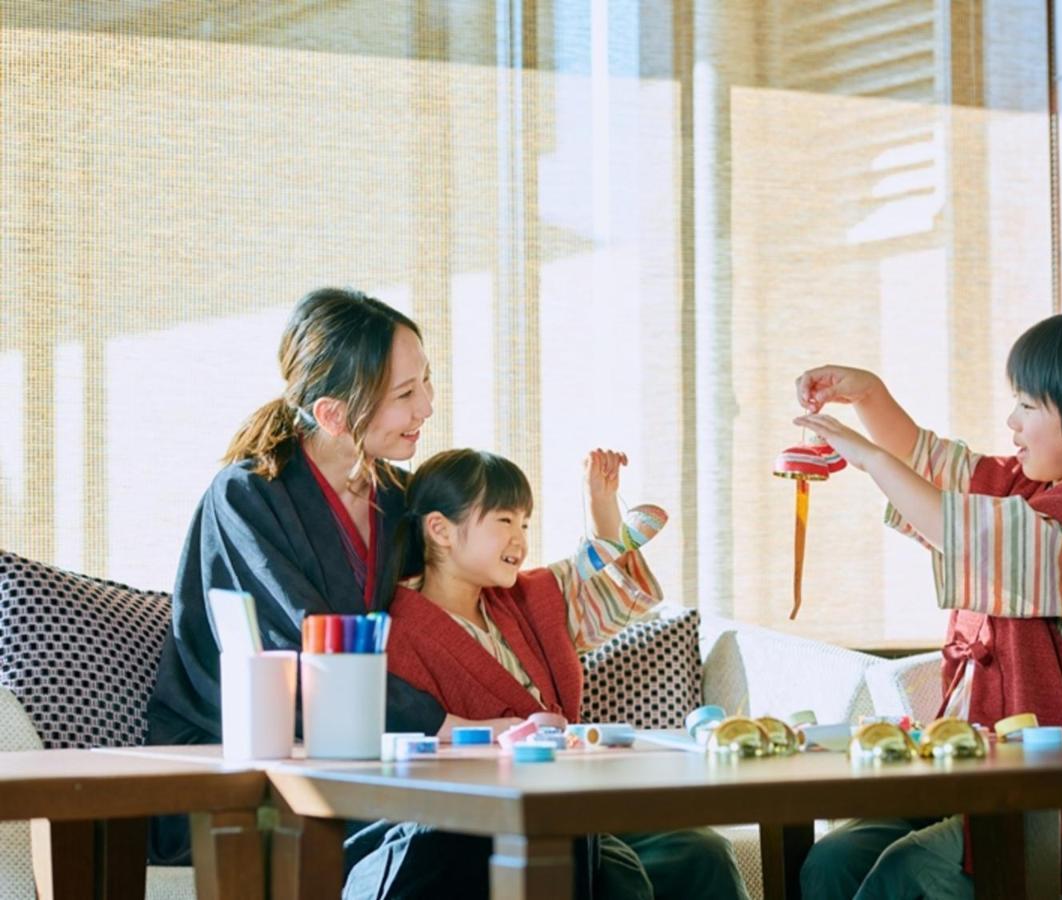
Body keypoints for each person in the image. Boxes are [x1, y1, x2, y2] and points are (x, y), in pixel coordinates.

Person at [792, 308, 1062, 898]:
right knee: (832, 860)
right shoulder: (1030, 483)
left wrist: (866, 457)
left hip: (1049, 796)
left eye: (1028, 405)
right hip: (970, 775)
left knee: (906, 873)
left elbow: (959, 527)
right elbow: (936, 467)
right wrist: (868, 393)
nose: (1011, 421)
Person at [342, 447, 750, 900]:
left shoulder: (527, 598)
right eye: (503, 521)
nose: (519, 539)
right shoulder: (398, 628)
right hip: (477, 825)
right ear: (440, 530)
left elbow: (598, 579)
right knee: (614, 874)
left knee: (702, 851)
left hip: (571, 804)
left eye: (525, 523)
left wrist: (601, 506)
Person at [145, 287, 444, 864]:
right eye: (405, 393)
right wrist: (442, 722)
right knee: (448, 837)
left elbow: (445, 609)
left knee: (584, 843)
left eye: (428, 381)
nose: (426, 407)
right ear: (333, 414)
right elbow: (302, 645)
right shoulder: (244, 497)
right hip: (235, 766)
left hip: (362, 753)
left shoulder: (400, 500)